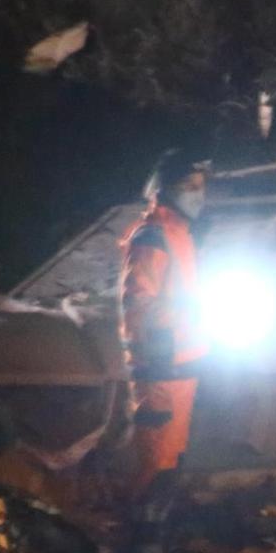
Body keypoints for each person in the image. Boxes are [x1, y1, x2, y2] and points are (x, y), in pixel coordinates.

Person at [119, 152, 210, 493]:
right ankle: (138, 534)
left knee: (172, 458)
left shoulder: (181, 235)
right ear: (165, 189)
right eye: (189, 186)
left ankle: (156, 530)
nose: (198, 194)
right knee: (156, 463)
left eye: (202, 186)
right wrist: (159, 352)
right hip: (161, 366)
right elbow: (138, 301)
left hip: (182, 365)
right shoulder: (152, 236)